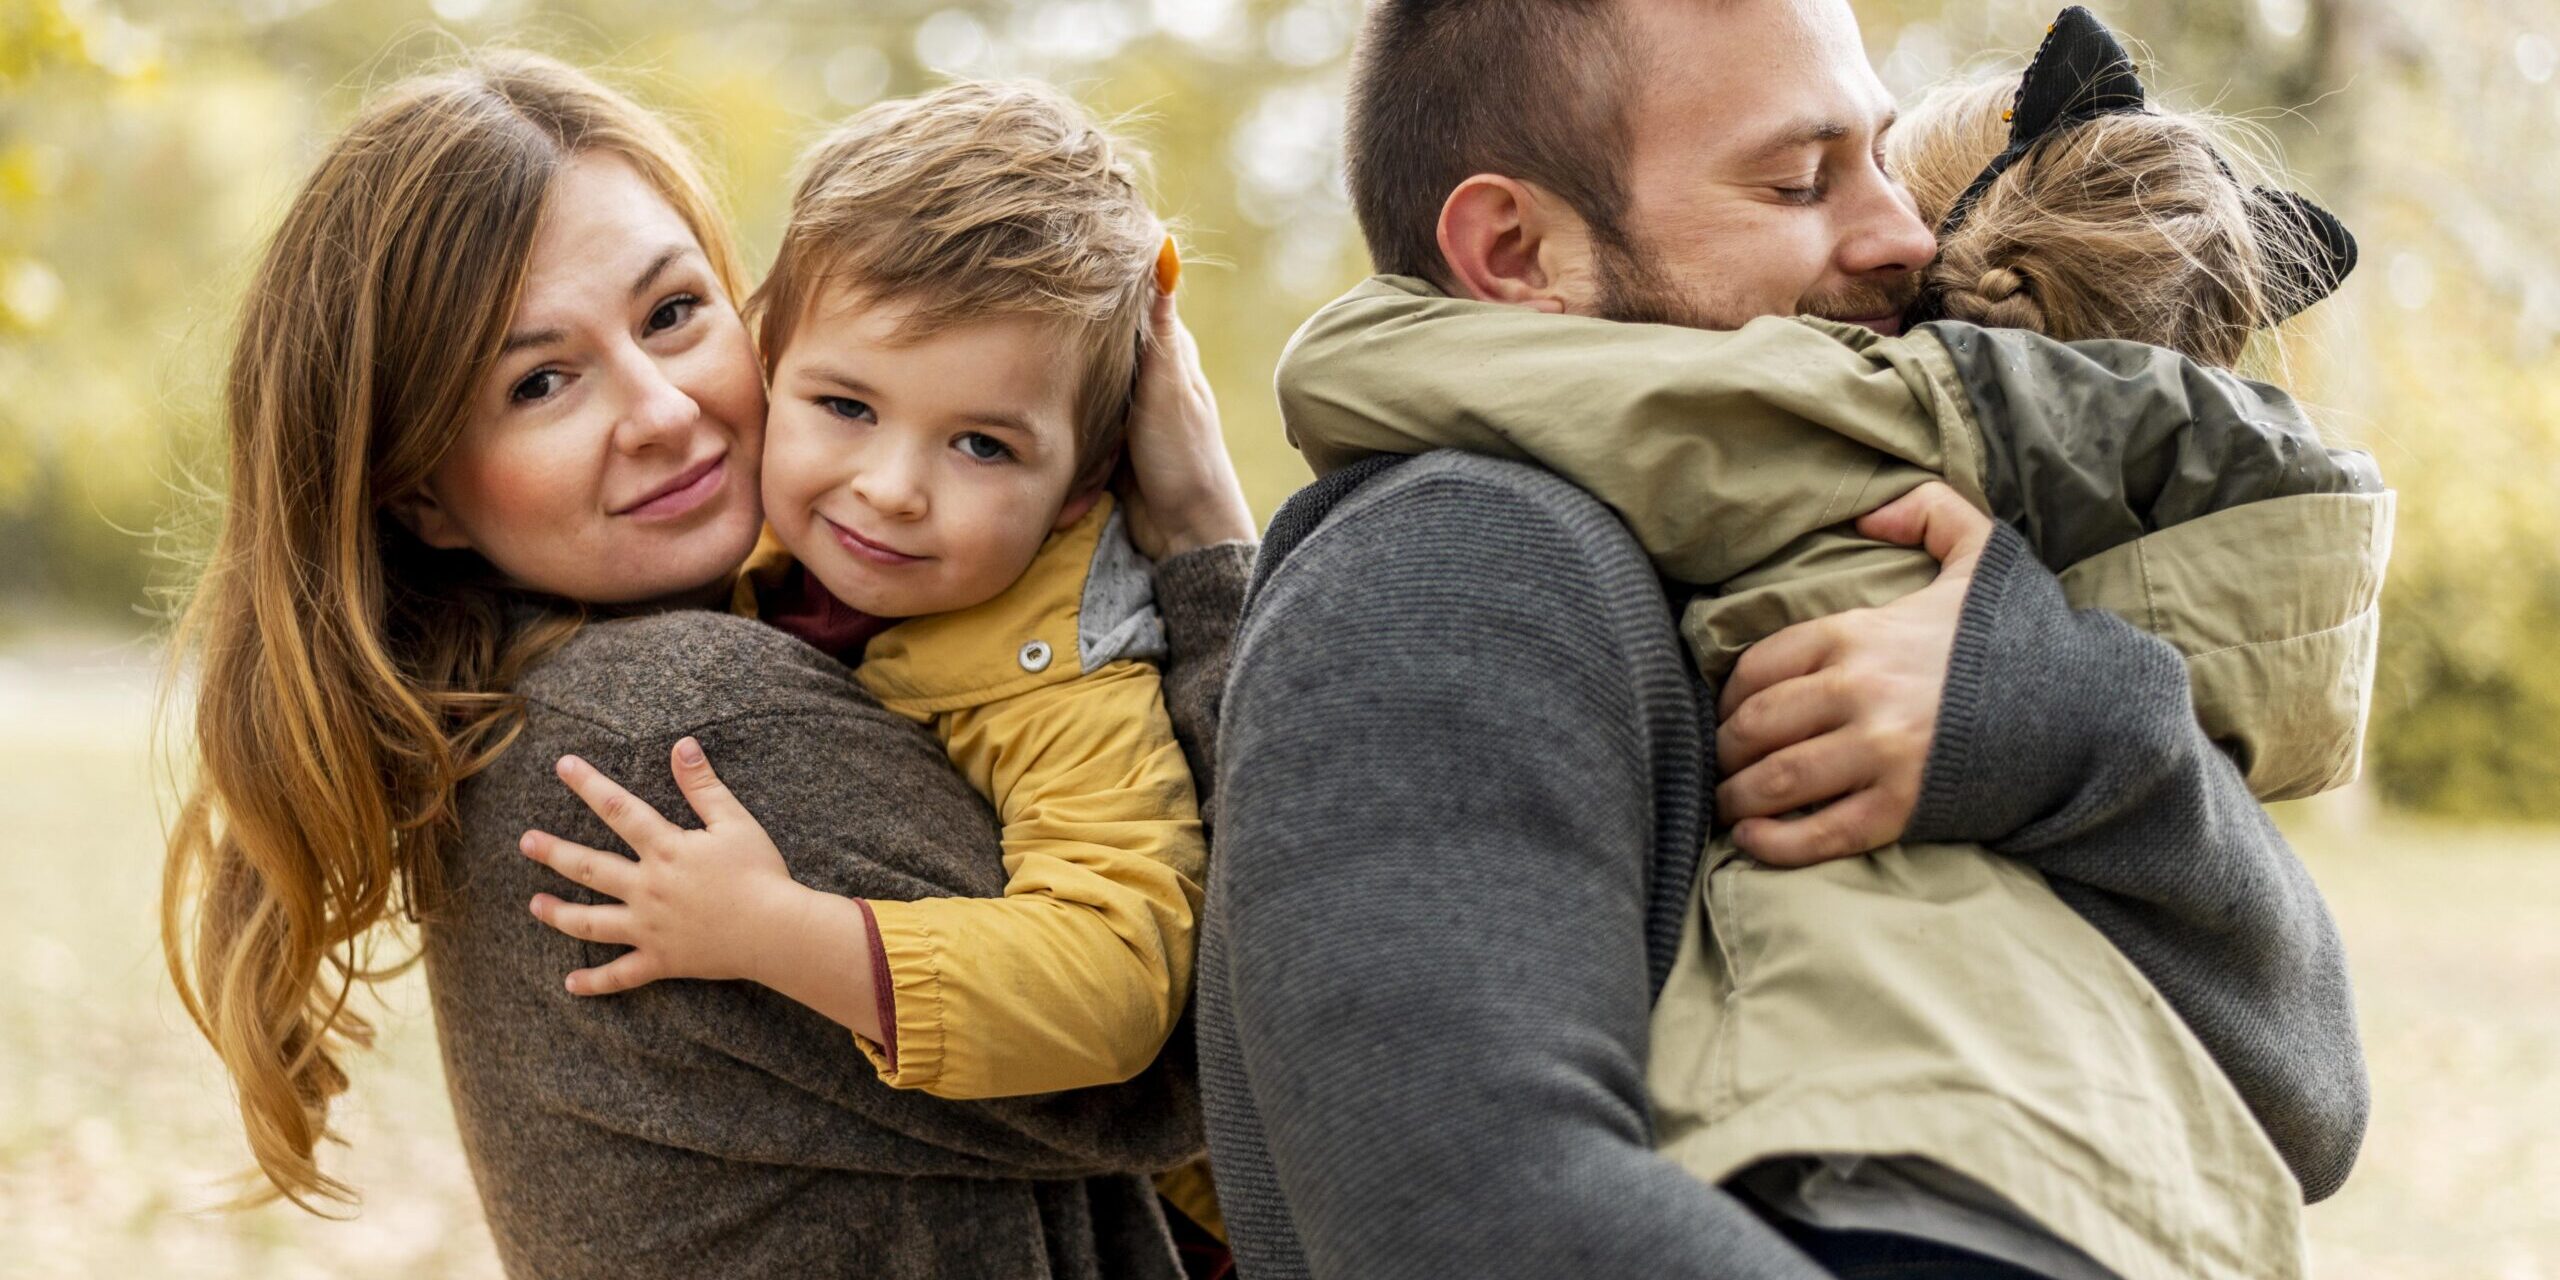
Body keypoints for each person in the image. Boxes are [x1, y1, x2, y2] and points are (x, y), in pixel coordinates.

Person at [1193, 1, 2367, 1276]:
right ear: (1515, 250)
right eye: (1800, 180)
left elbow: (2309, 1099)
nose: (1906, 236)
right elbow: (1463, 1205)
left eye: (1877, 154)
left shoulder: (1849, 568)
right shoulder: (1458, 556)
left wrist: (2067, 724)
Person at [157, 52, 1255, 1279]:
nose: (666, 411)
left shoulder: (698, 632)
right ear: (422, 495)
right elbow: (1249, 1054)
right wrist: (1207, 544)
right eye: (541, 381)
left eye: (674, 312)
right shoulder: (672, 730)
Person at [511, 77, 1229, 1243]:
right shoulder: (745, 545)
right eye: (846, 404)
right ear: (767, 360)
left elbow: (1115, 975)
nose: (892, 487)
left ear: (1079, 489)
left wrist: (771, 929)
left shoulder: (1067, 673)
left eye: (983, 443)